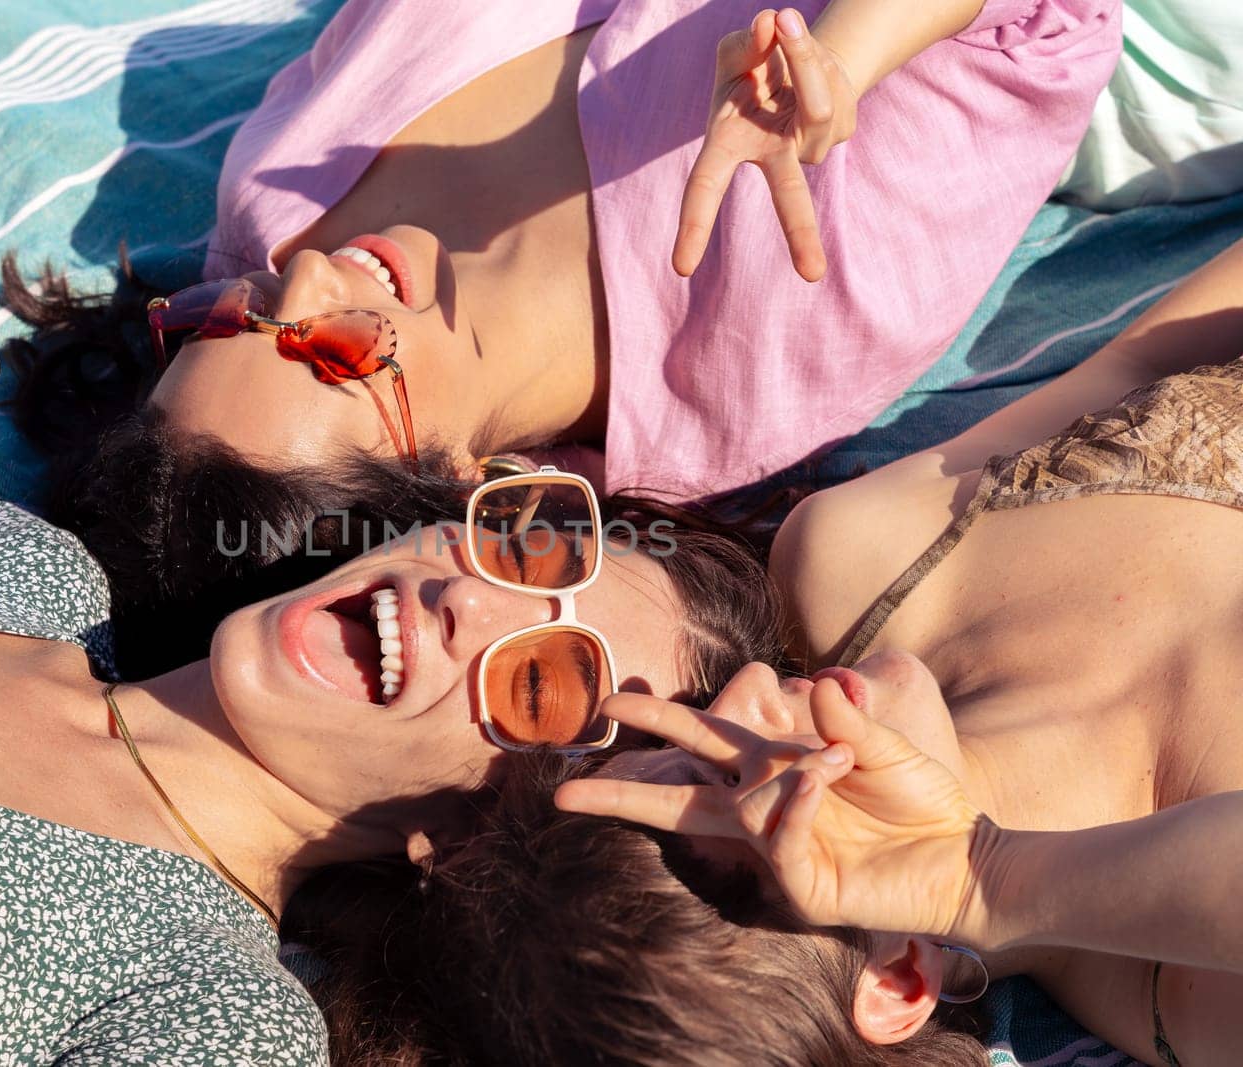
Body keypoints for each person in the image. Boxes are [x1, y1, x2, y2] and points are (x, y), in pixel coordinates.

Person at [0, 204, 782, 1062]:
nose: (466, 599)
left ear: (475, 833)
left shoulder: (204, 1008)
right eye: (525, 550)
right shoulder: (23, 576)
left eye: (536, 687)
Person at [0, 0, 1122, 672]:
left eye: (231, 318)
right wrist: (846, 49)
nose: (299, 280)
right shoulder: (774, 333)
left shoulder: (274, 200)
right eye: (329, 357)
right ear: (452, 485)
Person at [436, 236, 1243, 1065]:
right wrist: (981, 875)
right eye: (747, 773)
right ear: (898, 977)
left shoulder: (858, 564)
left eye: (691, 731)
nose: (749, 685)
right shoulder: (1194, 988)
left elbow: (1139, 360)